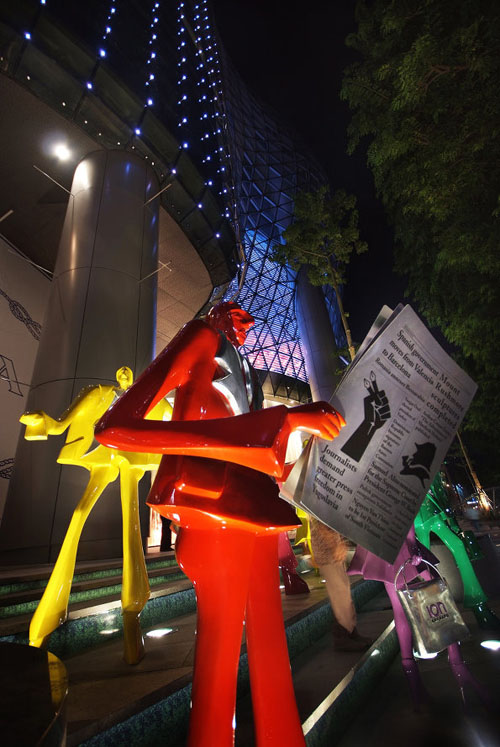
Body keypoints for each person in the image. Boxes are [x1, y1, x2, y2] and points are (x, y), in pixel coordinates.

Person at [95, 302, 344, 747]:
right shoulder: (200, 339)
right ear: (219, 313)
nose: (245, 323)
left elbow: (248, 450)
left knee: (271, 654)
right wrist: (283, 420)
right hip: (214, 518)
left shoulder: (242, 369)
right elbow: (114, 428)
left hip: (255, 515)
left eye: (246, 318)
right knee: (219, 663)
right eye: (235, 314)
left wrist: (297, 448)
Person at [20, 367, 169, 664]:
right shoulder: (98, 394)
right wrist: (42, 422)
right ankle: (51, 611)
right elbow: (60, 425)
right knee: (80, 514)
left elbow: (171, 421)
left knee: (131, 522)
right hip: (104, 457)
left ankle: (132, 615)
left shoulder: (149, 399)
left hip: (130, 458)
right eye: (121, 372)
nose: (125, 373)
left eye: (129, 372)